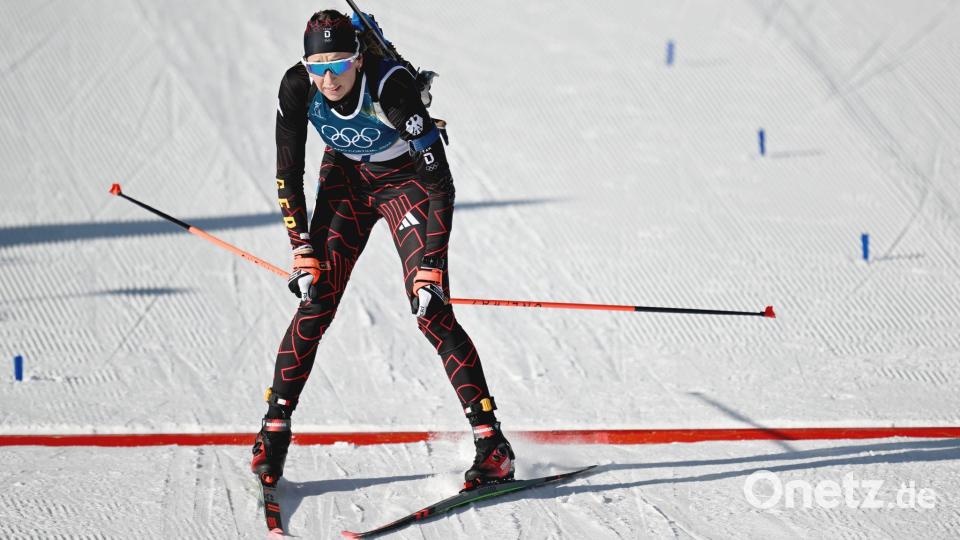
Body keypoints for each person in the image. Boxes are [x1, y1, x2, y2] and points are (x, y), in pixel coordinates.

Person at [251, 10, 514, 492]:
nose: (328, 77)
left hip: (406, 183)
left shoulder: (391, 87)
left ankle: (492, 444)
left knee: (430, 310)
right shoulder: (297, 87)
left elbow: (440, 182)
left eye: (338, 64)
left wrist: (431, 267)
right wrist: (301, 247)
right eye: (318, 66)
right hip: (347, 181)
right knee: (315, 302)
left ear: (357, 58)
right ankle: (273, 434)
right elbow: (288, 172)